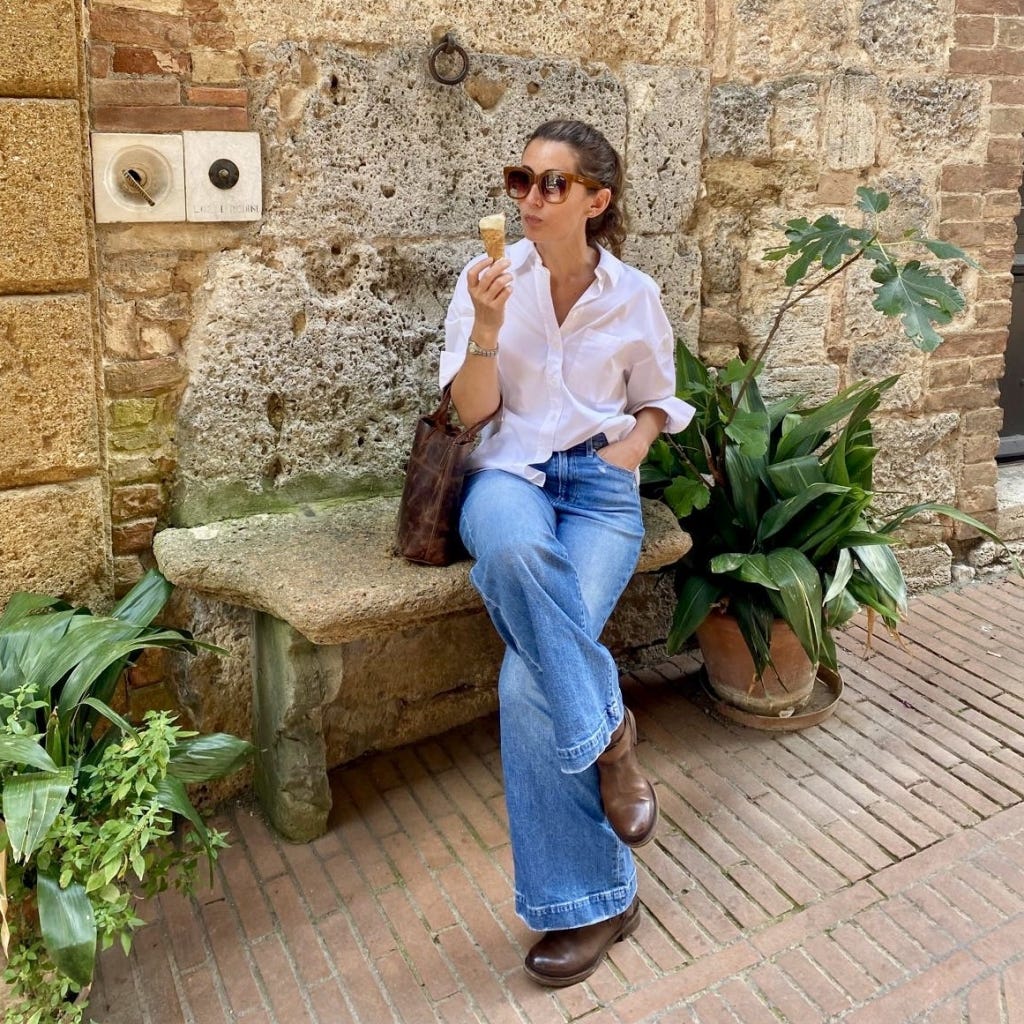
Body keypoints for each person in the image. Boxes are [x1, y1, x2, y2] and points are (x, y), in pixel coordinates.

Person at [440, 119, 694, 987]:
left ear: (596, 200)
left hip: (597, 489)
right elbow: (469, 413)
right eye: (522, 179)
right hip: (506, 475)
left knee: (528, 681)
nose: (531, 198)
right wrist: (486, 325)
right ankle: (610, 731)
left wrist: (631, 451)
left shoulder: (634, 295)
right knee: (511, 552)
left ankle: (593, 903)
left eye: (554, 183)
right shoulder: (485, 281)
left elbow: (658, 398)